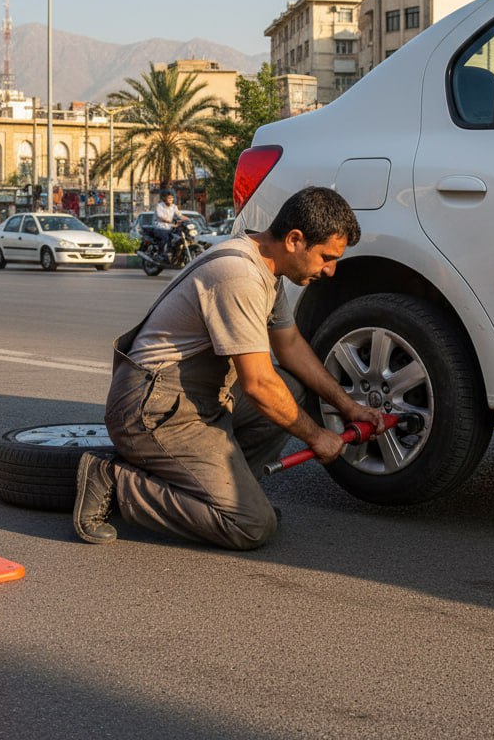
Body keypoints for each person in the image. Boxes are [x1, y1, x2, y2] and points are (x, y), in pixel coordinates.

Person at [74, 186, 389, 550]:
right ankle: (113, 481)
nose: (331, 270)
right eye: (326, 257)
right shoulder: (238, 275)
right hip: (151, 408)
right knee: (250, 526)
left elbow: (290, 348)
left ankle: (232, 490)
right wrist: (316, 436)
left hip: (197, 396)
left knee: (294, 387)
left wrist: (348, 406)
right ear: (295, 240)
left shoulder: (267, 269)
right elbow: (257, 385)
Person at [149, 189, 186, 256]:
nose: (171, 199)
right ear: (164, 198)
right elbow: (160, 216)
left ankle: (174, 253)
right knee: (166, 237)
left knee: (177, 238)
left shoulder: (174, 207)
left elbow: (180, 215)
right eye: (169, 198)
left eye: (172, 198)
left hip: (169, 227)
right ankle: (162, 253)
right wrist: (168, 221)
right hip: (159, 227)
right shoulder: (159, 206)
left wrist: (188, 219)